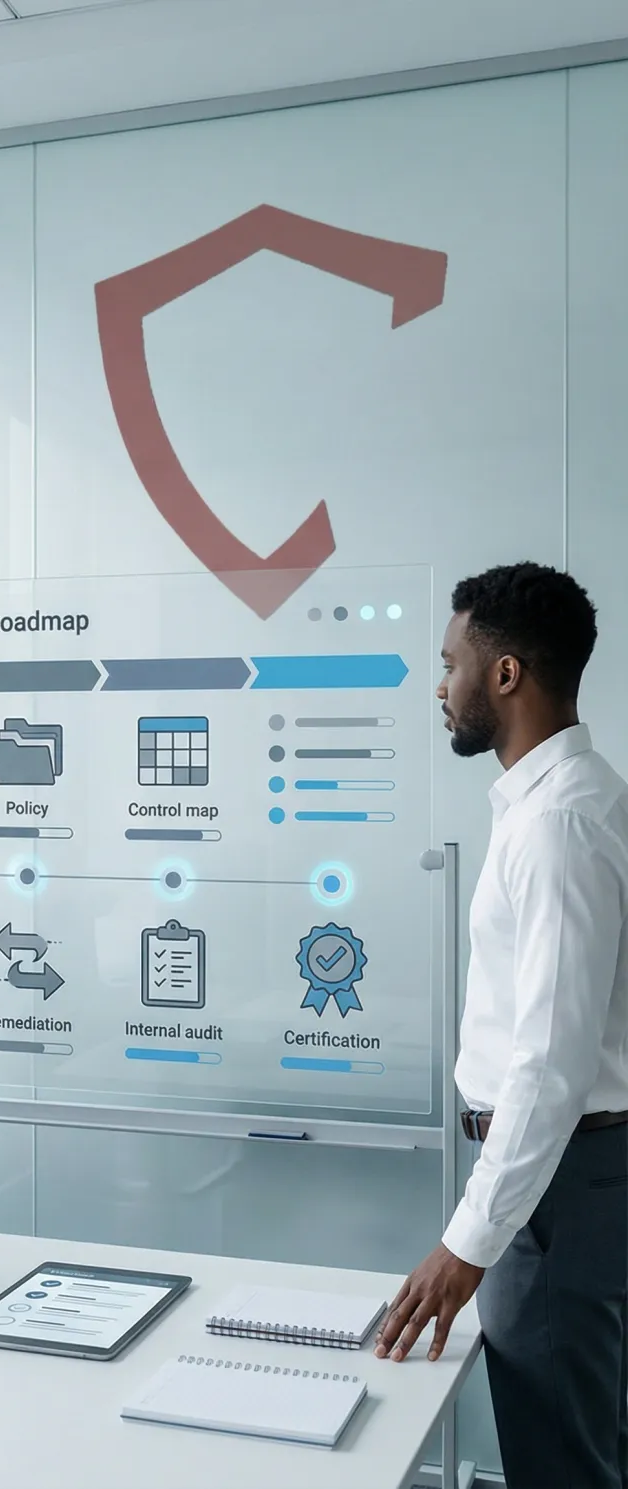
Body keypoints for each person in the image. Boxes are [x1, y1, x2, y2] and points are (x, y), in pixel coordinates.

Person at [375, 562, 628, 1488]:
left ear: (507, 673)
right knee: (579, 1441)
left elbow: (550, 1064)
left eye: (451, 664)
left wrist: (465, 1244)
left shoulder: (560, 824)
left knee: (560, 1460)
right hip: (558, 1179)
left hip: (555, 1187)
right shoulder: (560, 803)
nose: (440, 686)